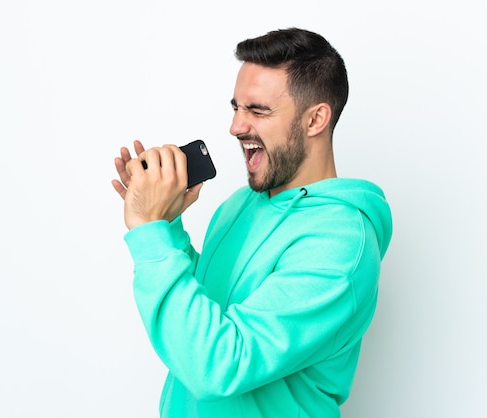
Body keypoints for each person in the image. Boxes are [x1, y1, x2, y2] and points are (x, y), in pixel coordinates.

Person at [112, 27, 393, 418]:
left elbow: (217, 364)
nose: (236, 126)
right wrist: (167, 224)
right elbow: (207, 315)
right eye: (236, 108)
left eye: (257, 110)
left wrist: (150, 234)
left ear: (315, 120)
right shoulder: (241, 205)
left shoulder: (342, 244)